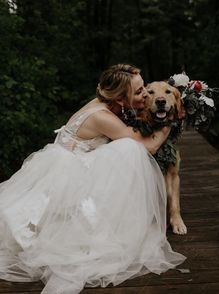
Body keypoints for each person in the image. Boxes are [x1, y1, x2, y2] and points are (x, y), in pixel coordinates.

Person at [0, 64, 186, 294]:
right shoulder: (102, 116)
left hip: (75, 164)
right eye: (139, 92)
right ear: (120, 98)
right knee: (128, 149)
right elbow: (148, 146)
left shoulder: (110, 106)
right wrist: (168, 123)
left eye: (144, 89)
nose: (146, 95)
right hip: (70, 173)